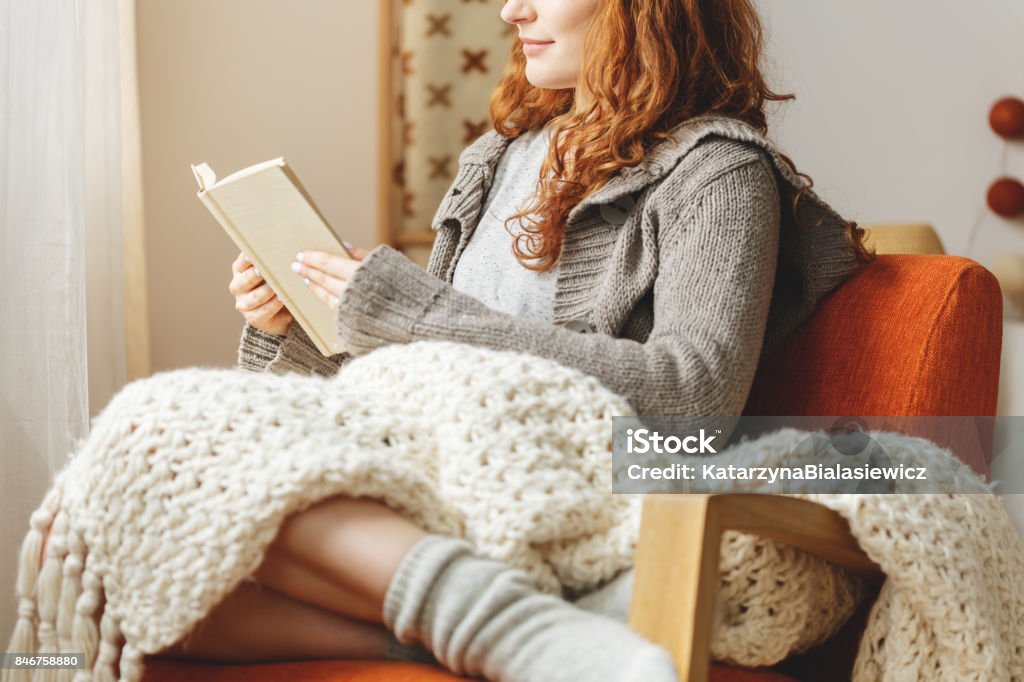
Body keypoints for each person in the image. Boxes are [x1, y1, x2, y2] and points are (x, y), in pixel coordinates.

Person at [169, 0, 875, 679]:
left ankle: (497, 620)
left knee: (174, 460)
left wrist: (413, 314)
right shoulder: (497, 158)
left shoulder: (718, 173)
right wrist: (290, 327)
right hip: (433, 471)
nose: (511, 12)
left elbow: (695, 401)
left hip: (551, 496)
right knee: (149, 583)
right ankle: (508, 638)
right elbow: (422, 373)